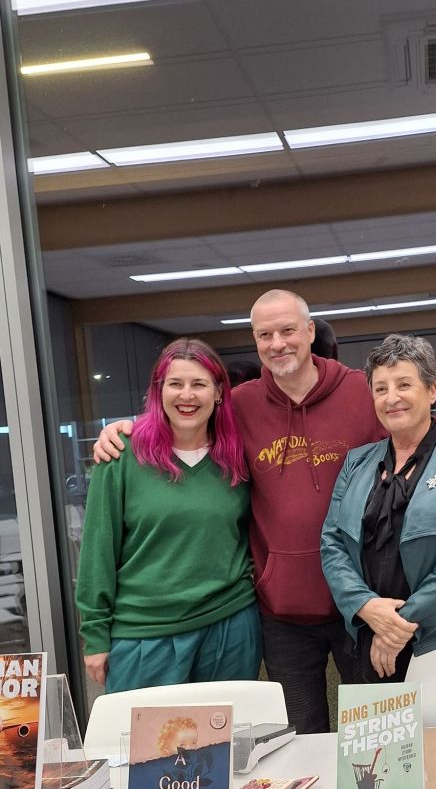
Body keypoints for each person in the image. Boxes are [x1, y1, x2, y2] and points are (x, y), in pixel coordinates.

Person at [93, 291, 384, 731]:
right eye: (265, 334)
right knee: (298, 737)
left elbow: (415, 425)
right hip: (282, 611)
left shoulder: (362, 391)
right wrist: (123, 428)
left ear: (310, 332)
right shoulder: (242, 406)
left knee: (375, 731)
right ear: (254, 339)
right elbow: (185, 411)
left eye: (288, 330)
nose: (278, 343)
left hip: (361, 603)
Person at [77, 338, 260, 693]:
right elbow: (97, 550)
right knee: (145, 747)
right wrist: (95, 634)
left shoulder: (237, 454)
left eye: (199, 384)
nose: (186, 395)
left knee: (229, 744)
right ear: (159, 391)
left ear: (219, 392)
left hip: (229, 626)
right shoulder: (121, 455)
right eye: (175, 384)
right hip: (146, 634)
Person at [321, 334, 436, 682]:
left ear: (431, 390)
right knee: (380, 739)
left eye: (404, 384)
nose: (392, 398)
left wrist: (400, 624)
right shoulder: (357, 463)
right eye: (381, 388)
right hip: (369, 636)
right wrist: (366, 607)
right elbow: (332, 543)